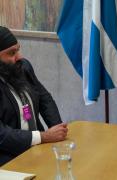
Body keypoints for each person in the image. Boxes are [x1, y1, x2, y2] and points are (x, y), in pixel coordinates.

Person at [0, 26, 68, 166]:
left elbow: (44, 99)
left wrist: (58, 130)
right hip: (9, 159)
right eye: (11, 53)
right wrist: (43, 137)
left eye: (18, 49)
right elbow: (2, 135)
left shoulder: (22, 67)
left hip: (38, 149)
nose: (19, 57)